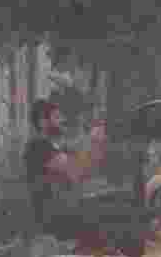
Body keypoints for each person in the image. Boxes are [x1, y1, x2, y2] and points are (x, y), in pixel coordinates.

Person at [23, 99, 108, 242]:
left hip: (63, 216)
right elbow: (75, 171)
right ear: (43, 122)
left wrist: (95, 145)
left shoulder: (52, 147)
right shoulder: (38, 146)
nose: (62, 120)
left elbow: (82, 173)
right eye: (56, 117)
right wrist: (94, 142)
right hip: (52, 222)